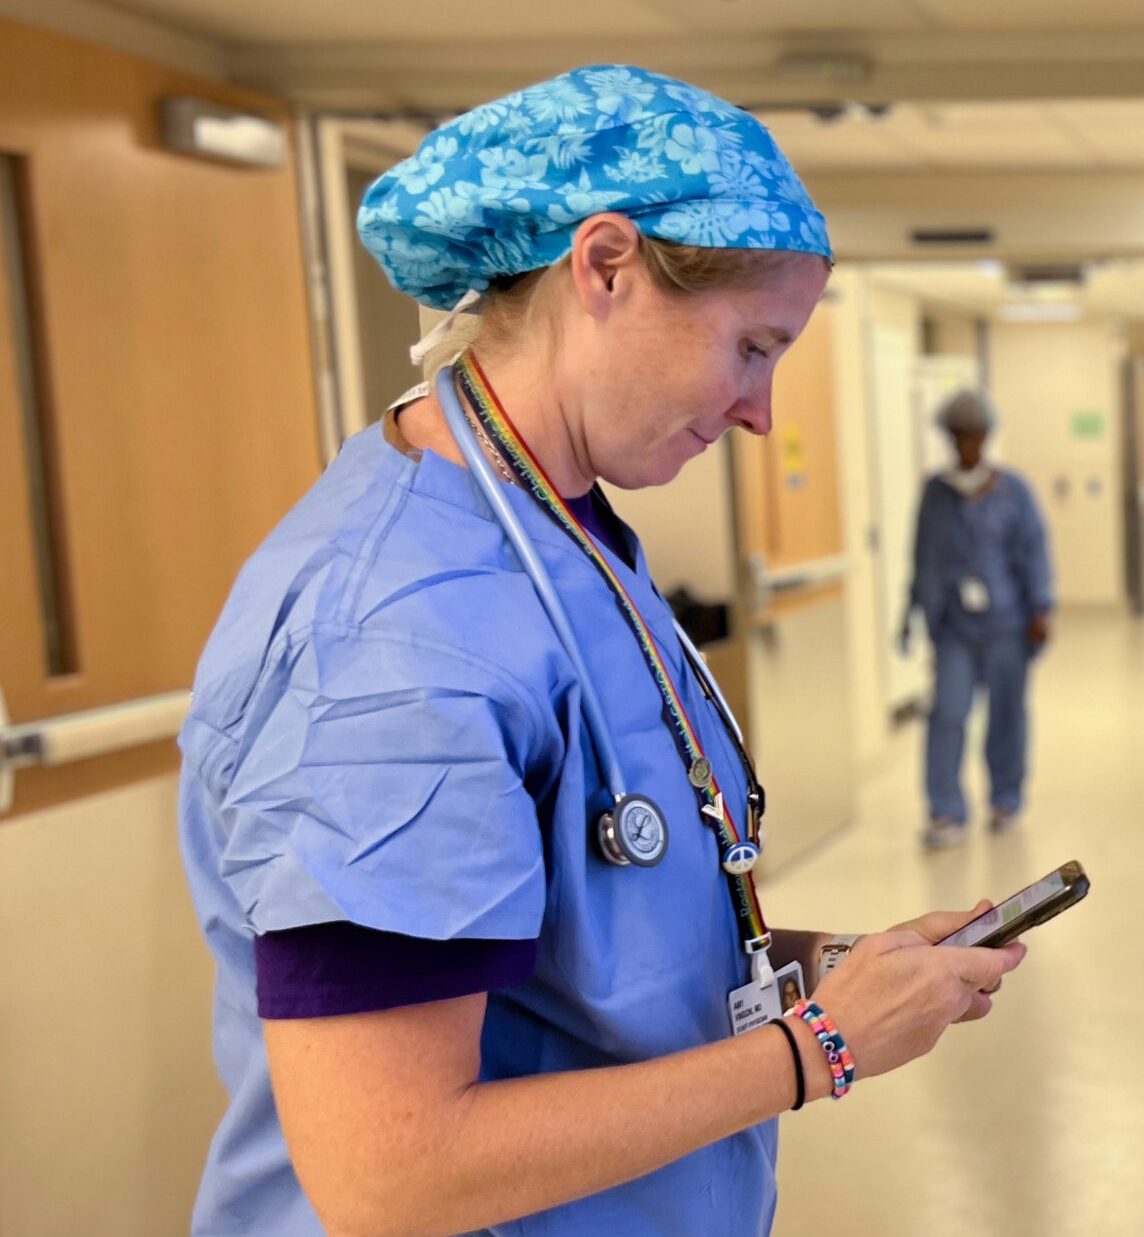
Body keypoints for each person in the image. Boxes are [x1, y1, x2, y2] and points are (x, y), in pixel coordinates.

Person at [176, 66, 1023, 1237]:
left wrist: (825, 965)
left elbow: (583, 941)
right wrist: (816, 1049)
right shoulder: (395, 640)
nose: (760, 411)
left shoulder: (561, 541)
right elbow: (392, 1173)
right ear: (605, 267)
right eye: (752, 346)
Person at [902, 389, 1054, 850]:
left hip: (1007, 623)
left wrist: (1041, 607)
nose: (966, 445)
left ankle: (1006, 798)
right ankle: (945, 810)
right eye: (958, 436)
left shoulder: (1014, 491)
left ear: (987, 437)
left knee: (1007, 715)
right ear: (950, 439)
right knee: (947, 713)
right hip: (954, 628)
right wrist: (912, 615)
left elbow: (1034, 551)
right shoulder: (936, 493)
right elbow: (922, 558)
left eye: (974, 436)